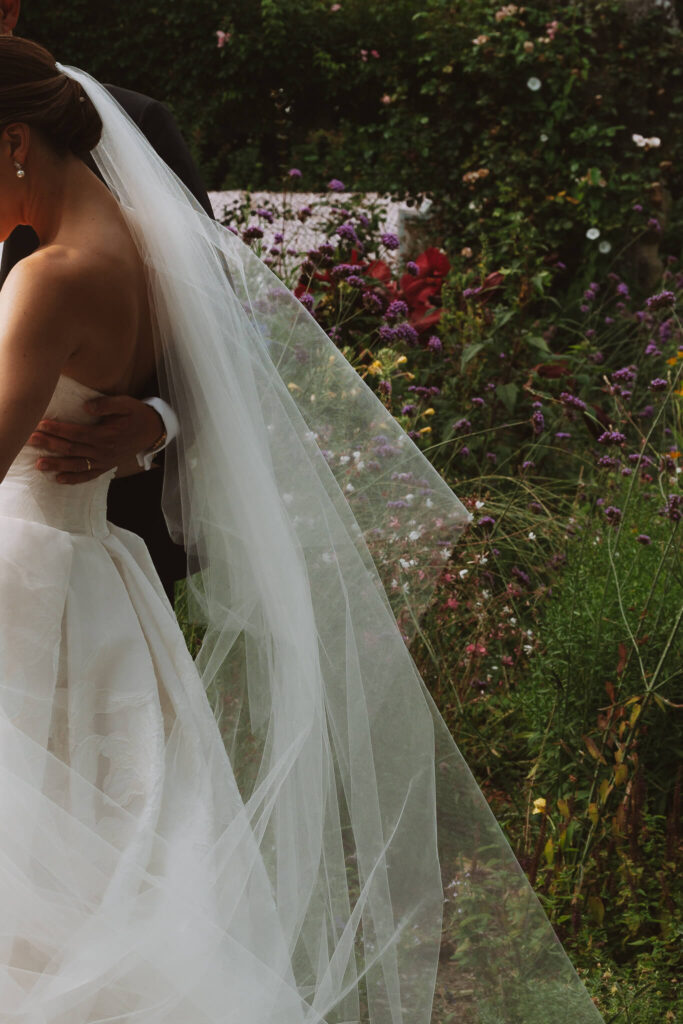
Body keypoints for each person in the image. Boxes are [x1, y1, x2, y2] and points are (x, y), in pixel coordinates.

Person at [0, 36, 606, 1024]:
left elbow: (217, 372)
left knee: (38, 879)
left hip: (22, 583)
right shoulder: (147, 258)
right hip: (100, 587)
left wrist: (160, 421)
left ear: (16, 141)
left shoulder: (50, 276)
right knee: (105, 869)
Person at [0, 0, 213, 602]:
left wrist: (157, 423)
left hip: (35, 566)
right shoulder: (139, 235)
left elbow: (217, 328)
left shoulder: (51, 272)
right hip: (101, 571)